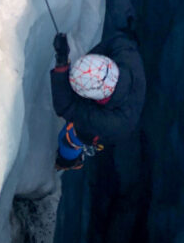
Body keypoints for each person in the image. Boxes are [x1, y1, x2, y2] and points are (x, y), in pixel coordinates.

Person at [51, 28, 146, 170]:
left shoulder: (112, 122)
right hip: (117, 99)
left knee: (71, 138)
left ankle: (67, 161)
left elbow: (66, 107)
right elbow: (118, 38)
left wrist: (61, 62)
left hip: (106, 126)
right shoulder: (123, 49)